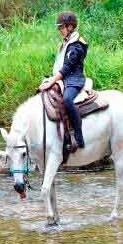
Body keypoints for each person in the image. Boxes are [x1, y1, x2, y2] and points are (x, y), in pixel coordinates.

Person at [39, 10, 88, 152]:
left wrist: (52, 81)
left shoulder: (77, 45)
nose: (60, 30)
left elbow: (67, 68)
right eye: (59, 28)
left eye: (62, 27)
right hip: (64, 78)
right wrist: (49, 80)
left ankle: (78, 136)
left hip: (74, 79)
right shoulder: (65, 42)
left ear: (70, 27)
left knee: (67, 100)